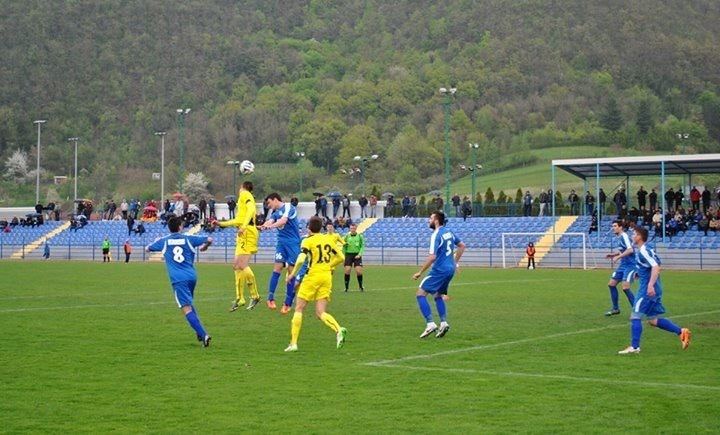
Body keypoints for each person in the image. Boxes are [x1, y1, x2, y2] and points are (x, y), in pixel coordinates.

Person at [618, 226, 691, 354]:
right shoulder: (645, 249)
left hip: (647, 290)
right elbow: (652, 265)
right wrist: (639, 274)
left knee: (635, 316)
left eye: (634, 234)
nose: (632, 236)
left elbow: (656, 267)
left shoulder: (644, 251)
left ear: (640, 236)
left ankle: (635, 347)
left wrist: (650, 285)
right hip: (653, 288)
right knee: (653, 320)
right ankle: (681, 332)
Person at [146, 216, 213, 347]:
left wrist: (155, 242)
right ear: (180, 227)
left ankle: (204, 334)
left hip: (178, 279)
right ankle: (199, 333)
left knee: (186, 307)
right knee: (189, 303)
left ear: (169, 228)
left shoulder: (164, 241)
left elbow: (147, 249)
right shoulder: (188, 238)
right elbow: (210, 238)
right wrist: (205, 246)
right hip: (192, 276)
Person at [283, 216, 347, 352]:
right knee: (320, 312)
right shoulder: (328, 239)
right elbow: (341, 257)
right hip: (326, 276)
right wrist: (330, 265)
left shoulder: (308, 240)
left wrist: (292, 274)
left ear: (309, 228)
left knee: (299, 308)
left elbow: (301, 258)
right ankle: (338, 329)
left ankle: (293, 343)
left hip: (313, 276)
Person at [412, 211, 466, 338]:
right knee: (438, 295)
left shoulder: (436, 235)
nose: (428, 220)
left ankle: (430, 323)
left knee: (420, 294)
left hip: (439, 270)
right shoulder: (449, 232)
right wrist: (455, 262)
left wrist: (420, 272)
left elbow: (432, 257)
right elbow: (462, 246)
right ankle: (443, 323)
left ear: (436, 220)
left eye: (430, 218)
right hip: (450, 270)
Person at [215, 181, 261, 311]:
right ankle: (240, 298)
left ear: (243, 187)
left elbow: (251, 209)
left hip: (247, 233)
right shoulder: (242, 202)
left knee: (241, 265)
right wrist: (220, 223)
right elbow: (237, 220)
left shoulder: (245, 195)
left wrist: (244, 226)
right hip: (243, 233)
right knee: (236, 266)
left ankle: (255, 295)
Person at [259, 193, 302, 314]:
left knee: (291, 273)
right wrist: (263, 226)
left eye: (269, 203)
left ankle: (287, 302)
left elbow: (283, 221)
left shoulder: (288, 207)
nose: (268, 205)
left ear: (275, 199)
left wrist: (270, 227)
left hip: (293, 244)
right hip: (281, 243)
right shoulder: (275, 213)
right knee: (277, 268)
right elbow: (270, 220)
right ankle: (270, 298)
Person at [604, 220, 636, 316]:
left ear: (620, 227)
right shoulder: (619, 237)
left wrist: (618, 257)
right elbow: (623, 250)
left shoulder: (624, 236)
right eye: (613, 226)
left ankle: (637, 311)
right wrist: (613, 254)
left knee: (625, 287)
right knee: (611, 284)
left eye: (615, 226)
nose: (613, 228)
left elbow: (630, 250)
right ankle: (615, 309)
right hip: (623, 264)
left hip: (630, 265)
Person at [343, 223, 365, 292]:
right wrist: (344, 254)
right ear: (349, 229)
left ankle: (361, 287)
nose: (352, 229)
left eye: (354, 228)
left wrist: (360, 254)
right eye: (351, 228)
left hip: (357, 255)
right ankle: (346, 288)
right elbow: (343, 245)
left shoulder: (360, 236)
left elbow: (362, 246)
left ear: (356, 228)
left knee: (358, 271)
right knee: (347, 270)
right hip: (348, 255)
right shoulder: (346, 236)